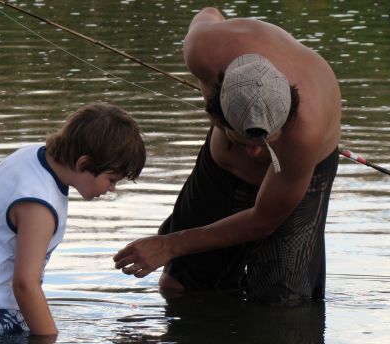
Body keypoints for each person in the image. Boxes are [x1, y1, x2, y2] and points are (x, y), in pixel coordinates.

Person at [114, 7, 341, 305]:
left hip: (299, 178)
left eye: (267, 142)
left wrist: (170, 244)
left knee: (282, 304)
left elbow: (263, 219)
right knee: (176, 286)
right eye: (245, 141)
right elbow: (210, 12)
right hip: (221, 170)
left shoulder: (304, 131)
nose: (256, 152)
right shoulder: (205, 49)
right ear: (214, 104)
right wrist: (173, 248)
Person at [0, 103, 146, 336]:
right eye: (111, 179)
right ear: (83, 163)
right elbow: (24, 284)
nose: (111, 189)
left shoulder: (31, 155)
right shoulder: (39, 205)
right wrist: (49, 341)